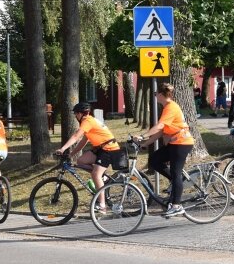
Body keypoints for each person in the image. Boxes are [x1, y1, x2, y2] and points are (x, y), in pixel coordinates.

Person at [135, 83, 194, 218]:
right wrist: (145, 143)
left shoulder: (171, 107)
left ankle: (176, 206)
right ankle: (175, 181)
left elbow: (160, 126)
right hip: (174, 143)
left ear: (161, 95)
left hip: (182, 143)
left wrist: (143, 136)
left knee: (175, 172)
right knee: (154, 160)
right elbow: (162, 131)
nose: (155, 96)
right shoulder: (167, 107)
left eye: (156, 94)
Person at [56, 102, 125, 212]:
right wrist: (71, 154)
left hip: (109, 149)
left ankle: (102, 205)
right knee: (81, 161)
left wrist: (63, 148)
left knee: (95, 175)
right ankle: (107, 178)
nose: (75, 116)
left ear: (80, 114)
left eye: (75, 114)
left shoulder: (87, 121)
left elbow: (75, 136)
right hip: (101, 148)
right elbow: (83, 141)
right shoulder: (89, 121)